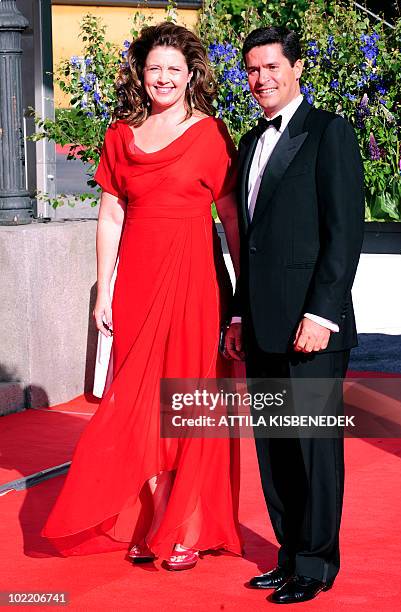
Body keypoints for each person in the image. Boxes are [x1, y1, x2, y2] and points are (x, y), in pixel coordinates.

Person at [41, 22, 242, 571]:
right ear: (141, 73)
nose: (164, 77)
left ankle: (185, 525)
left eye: (174, 69)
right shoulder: (119, 135)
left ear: (191, 74)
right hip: (138, 283)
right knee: (137, 402)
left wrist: (243, 297)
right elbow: (110, 215)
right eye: (155, 68)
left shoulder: (212, 135)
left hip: (196, 281)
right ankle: (155, 513)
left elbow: (230, 219)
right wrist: (102, 290)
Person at [225, 26, 364, 603]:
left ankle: (316, 563)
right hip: (261, 325)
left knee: (313, 451)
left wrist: (322, 314)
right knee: (276, 449)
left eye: (272, 67)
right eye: (253, 70)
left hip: (313, 327)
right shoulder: (250, 140)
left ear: (298, 67)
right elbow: (247, 241)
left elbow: (344, 234)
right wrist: (237, 316)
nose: (262, 80)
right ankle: (288, 555)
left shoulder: (328, 132)